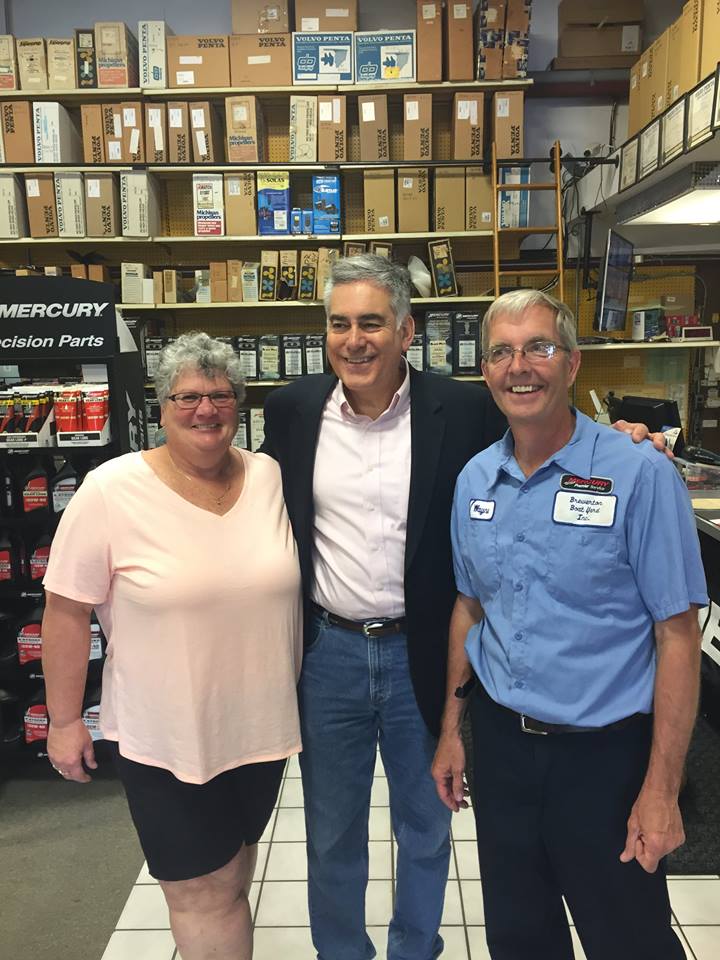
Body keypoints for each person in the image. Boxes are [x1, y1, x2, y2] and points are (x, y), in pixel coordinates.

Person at [262, 256, 665, 960]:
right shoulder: (294, 410)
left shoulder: (468, 406)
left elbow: (545, 426)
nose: (354, 340)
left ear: (406, 330)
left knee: (426, 824)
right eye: (339, 324)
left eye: (372, 323)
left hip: (423, 648)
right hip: (327, 651)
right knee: (330, 832)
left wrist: (631, 440)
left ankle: (415, 949)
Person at [433, 288, 707, 960]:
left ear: (573, 362)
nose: (519, 366)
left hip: (604, 761)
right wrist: (451, 731)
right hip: (502, 751)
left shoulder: (638, 475)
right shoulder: (475, 482)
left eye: (538, 348)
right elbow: (470, 608)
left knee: (629, 939)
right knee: (521, 938)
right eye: (502, 351)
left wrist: (661, 791)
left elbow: (678, 637)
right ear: (486, 369)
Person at [42, 332, 303, 960]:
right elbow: (66, 610)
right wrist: (66, 721)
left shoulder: (268, 476)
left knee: (234, 875)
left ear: (239, 404)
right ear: (161, 406)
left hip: (259, 732)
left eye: (220, 396)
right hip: (166, 739)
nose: (205, 410)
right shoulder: (111, 489)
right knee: (203, 893)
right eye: (188, 396)